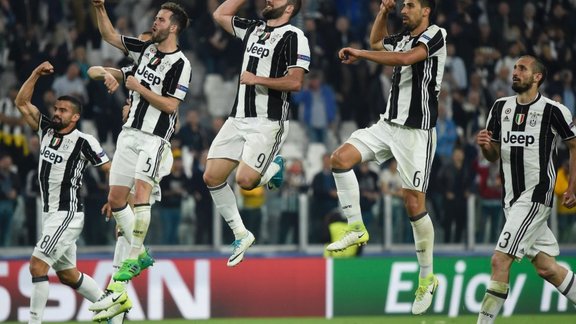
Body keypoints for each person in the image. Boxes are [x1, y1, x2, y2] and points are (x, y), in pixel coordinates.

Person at [325, 0, 446, 315]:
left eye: (410, 5)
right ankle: (355, 227)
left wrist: (362, 55)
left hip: (416, 133)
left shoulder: (435, 35)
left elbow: (405, 59)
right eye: (402, 6)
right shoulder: (403, 37)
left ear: (426, 10)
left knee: (413, 204)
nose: (404, 10)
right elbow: (377, 42)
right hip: (387, 124)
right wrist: (382, 12)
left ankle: (426, 278)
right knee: (339, 159)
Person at [88, 0, 192, 321]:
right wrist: (98, 6)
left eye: (160, 19)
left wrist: (136, 87)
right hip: (128, 135)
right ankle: (140, 254)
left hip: (154, 140)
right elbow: (108, 35)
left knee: (139, 198)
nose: (155, 22)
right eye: (156, 18)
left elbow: (171, 106)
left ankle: (129, 265)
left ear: (173, 26)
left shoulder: (181, 63)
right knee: (116, 200)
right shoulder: (145, 50)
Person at [205, 0, 310, 267]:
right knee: (212, 176)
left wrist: (257, 79)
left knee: (245, 181)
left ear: (290, 8)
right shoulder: (253, 29)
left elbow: (296, 82)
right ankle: (241, 234)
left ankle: (273, 167)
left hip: (268, 121)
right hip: (238, 116)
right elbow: (221, 14)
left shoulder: (295, 37)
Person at [476, 55, 576, 323]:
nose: (515, 72)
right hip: (511, 200)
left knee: (499, 261)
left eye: (522, 68)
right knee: (547, 269)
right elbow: (493, 156)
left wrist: (573, 186)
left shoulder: (554, 110)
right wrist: (486, 146)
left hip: (535, 197)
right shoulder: (499, 108)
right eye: (515, 68)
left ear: (537, 77)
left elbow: (574, 145)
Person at [14, 61, 111, 324]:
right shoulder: (46, 129)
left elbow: (108, 169)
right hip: (50, 214)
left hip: (67, 213)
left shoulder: (84, 141)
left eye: (63, 110)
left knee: (36, 265)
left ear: (75, 117)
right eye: (56, 108)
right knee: (68, 274)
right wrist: (34, 73)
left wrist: (115, 200)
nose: (57, 113)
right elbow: (22, 103)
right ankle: (114, 312)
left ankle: (34, 322)